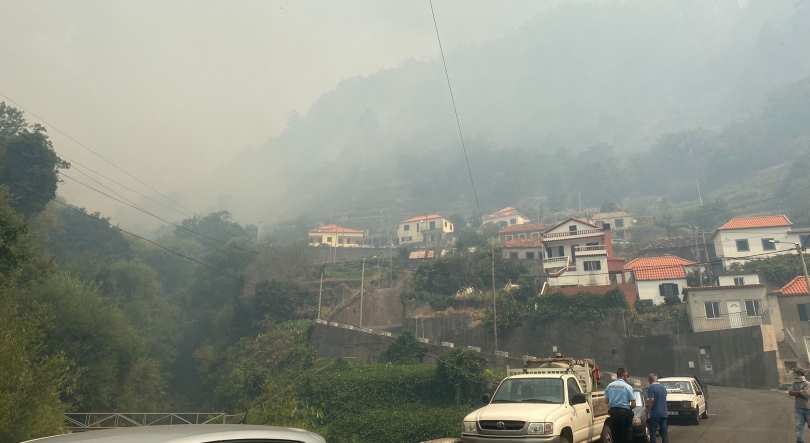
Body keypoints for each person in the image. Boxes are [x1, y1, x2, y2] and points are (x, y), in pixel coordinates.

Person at [605, 367, 636, 443]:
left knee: (615, 436)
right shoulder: (628, 387)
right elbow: (633, 404)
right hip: (624, 414)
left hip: (613, 414)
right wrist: (627, 407)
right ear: (624, 376)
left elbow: (606, 401)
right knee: (626, 436)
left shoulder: (609, 386)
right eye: (627, 376)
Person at [646, 373, 668, 443]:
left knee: (652, 431)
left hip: (655, 413)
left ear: (650, 380)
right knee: (664, 431)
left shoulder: (652, 387)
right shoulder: (663, 388)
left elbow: (651, 400)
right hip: (664, 413)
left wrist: (648, 411)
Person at [790, 368, 810, 443]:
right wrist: (799, 392)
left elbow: (807, 395)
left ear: (801, 374)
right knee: (799, 426)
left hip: (808, 408)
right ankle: (800, 441)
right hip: (798, 408)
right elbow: (790, 393)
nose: (796, 375)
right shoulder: (794, 383)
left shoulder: (807, 383)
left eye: (797, 373)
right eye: (795, 373)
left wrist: (796, 393)